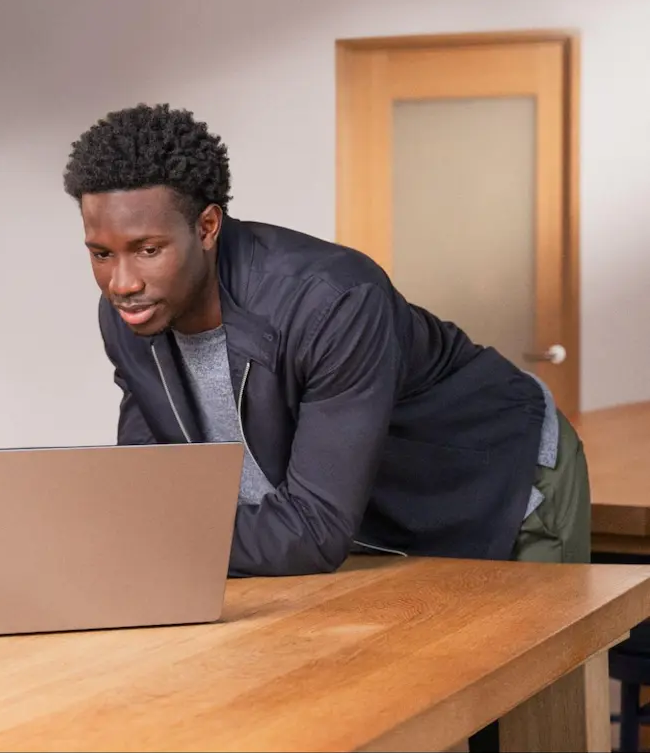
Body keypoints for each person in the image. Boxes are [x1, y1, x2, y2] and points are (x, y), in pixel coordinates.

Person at [62, 103, 590, 577]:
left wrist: (143, 541)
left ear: (206, 227)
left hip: (498, 479)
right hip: (352, 532)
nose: (122, 282)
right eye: (101, 254)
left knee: (524, 678)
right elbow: (147, 488)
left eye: (148, 249)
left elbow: (313, 533)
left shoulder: (333, 300)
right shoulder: (133, 316)